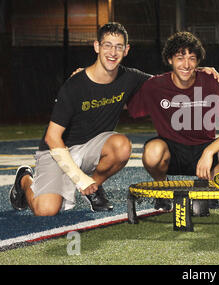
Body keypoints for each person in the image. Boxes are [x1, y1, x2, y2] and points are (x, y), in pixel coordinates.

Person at [9, 22, 152, 215]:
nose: (113, 52)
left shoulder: (130, 77)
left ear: (126, 50)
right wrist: (78, 177)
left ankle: (94, 187)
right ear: (97, 47)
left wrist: (202, 72)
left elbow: (169, 82)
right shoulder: (75, 85)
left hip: (91, 149)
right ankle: (24, 179)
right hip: (58, 151)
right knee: (46, 210)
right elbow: (52, 137)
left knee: (122, 146)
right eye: (107, 45)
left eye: (119, 46)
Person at [127, 31, 219, 212]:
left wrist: (209, 152)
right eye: (180, 58)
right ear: (170, 60)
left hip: (205, 150)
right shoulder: (154, 86)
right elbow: (127, 104)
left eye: (192, 59)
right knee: (152, 152)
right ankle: (162, 189)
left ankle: (208, 185)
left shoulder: (210, 81)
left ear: (198, 62)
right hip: (173, 151)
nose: (186, 65)